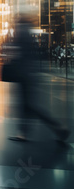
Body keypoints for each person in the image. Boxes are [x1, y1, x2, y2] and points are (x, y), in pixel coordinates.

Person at [8, 12, 70, 143]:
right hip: (28, 73)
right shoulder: (28, 30)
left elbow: (18, 53)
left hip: (23, 74)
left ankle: (59, 129)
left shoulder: (21, 31)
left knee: (30, 106)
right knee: (27, 105)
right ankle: (24, 133)